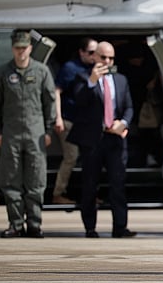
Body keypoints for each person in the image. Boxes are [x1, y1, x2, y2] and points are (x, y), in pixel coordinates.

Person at [0, 29, 56, 238]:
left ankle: (34, 224)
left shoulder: (41, 71)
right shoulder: (3, 73)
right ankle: (16, 224)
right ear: (13, 49)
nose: (21, 52)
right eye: (17, 48)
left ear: (30, 48)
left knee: (36, 180)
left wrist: (48, 129)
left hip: (36, 134)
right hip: (11, 134)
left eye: (24, 48)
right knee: (10, 181)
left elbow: (50, 101)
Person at [67, 41, 136, 238]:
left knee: (118, 183)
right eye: (103, 57)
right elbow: (78, 102)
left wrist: (123, 123)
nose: (107, 61)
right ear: (94, 57)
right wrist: (91, 81)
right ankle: (90, 227)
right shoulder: (83, 78)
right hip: (92, 140)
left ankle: (120, 227)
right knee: (90, 184)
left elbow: (129, 107)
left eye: (110, 57)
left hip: (115, 139)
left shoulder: (121, 80)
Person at [52, 37, 98, 204]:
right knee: (71, 156)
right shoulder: (70, 68)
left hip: (88, 122)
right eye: (91, 52)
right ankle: (58, 192)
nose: (95, 56)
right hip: (69, 119)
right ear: (81, 52)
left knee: (92, 158)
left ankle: (90, 194)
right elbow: (57, 91)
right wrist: (58, 117)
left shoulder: (97, 68)